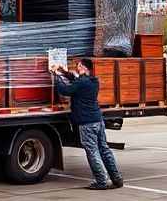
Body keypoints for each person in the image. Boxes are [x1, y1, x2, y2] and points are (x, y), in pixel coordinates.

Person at [51, 58, 123, 190]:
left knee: (92, 151)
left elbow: (65, 90)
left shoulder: (82, 83)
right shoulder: (93, 81)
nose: (76, 68)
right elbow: (76, 81)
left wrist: (56, 74)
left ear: (84, 68)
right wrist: (66, 73)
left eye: (78, 66)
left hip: (87, 122)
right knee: (104, 149)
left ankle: (101, 181)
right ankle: (116, 178)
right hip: (97, 120)